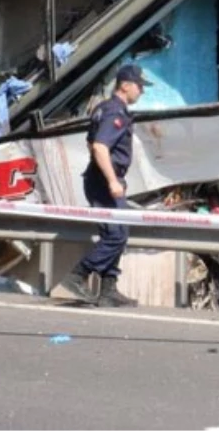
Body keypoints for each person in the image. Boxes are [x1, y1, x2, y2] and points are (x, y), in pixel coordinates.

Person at [58, 64, 150, 308]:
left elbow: (91, 143)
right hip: (104, 182)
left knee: (119, 232)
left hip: (100, 178)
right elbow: (99, 147)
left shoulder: (102, 108)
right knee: (117, 235)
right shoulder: (115, 113)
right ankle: (78, 274)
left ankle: (108, 289)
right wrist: (111, 179)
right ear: (125, 85)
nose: (142, 91)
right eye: (139, 86)